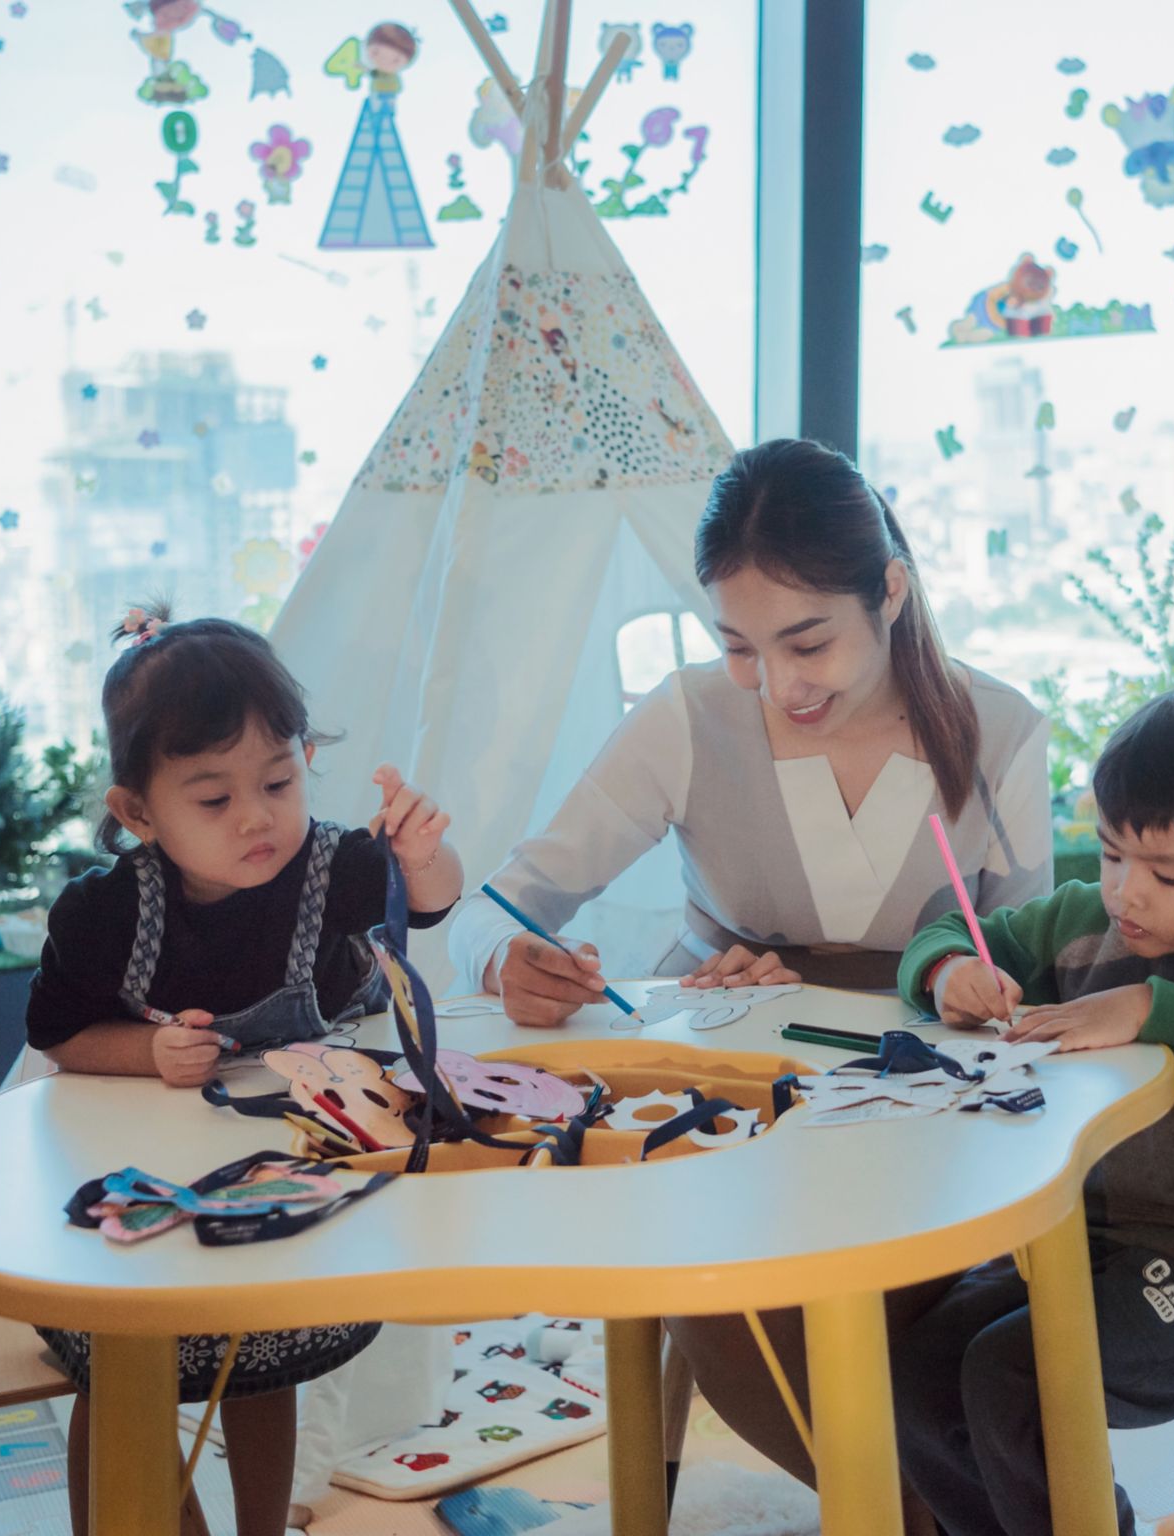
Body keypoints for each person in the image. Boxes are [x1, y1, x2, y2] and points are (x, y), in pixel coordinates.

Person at [442, 437, 1051, 1484]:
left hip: (923, 1116)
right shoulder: (686, 717)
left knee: (900, 1310)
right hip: (723, 1103)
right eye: (737, 645)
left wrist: (971, 986)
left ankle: (937, 1501)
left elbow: (1032, 973)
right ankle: (914, 1513)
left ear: (891, 592)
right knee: (723, 1294)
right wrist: (508, 959)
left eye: (805, 642)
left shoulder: (998, 730)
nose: (773, 684)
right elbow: (494, 906)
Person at [26, 602, 462, 1536]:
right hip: (139, 1158)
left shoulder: (333, 863)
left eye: (279, 778)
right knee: (121, 1358)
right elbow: (59, 1035)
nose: (259, 819)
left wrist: (424, 856)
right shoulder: (101, 916)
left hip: (279, 1154)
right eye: (215, 800)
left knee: (260, 1351)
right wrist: (144, 1052)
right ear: (137, 812)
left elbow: (426, 904)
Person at [891, 687, 1174, 1536]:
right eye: (1109, 856)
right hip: (1073, 1244)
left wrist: (1149, 1009)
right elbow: (953, 928)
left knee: (1011, 1375)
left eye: (1167, 874)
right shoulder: (1082, 923)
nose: (1125, 895)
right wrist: (948, 970)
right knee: (917, 1370)